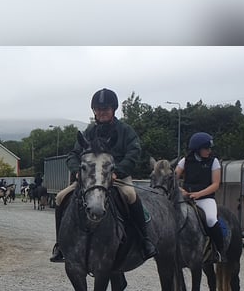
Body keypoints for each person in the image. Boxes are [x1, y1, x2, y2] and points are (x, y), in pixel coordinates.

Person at [49, 88, 157, 263]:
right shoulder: (90, 131)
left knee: (131, 196)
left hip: (118, 176)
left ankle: (145, 241)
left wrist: (118, 172)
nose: (102, 112)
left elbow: (133, 153)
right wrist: (77, 170)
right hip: (90, 179)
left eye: (105, 109)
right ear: (94, 111)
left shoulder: (125, 131)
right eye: (98, 109)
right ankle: (60, 245)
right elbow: (73, 154)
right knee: (61, 198)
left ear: (113, 109)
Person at [175, 132, 224, 262]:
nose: (209, 151)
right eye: (206, 148)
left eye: (209, 148)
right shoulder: (184, 161)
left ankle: (219, 251)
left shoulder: (214, 162)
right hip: (185, 199)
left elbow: (215, 184)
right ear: (198, 149)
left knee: (211, 220)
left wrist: (198, 194)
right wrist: (182, 191)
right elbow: (172, 180)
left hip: (205, 199)